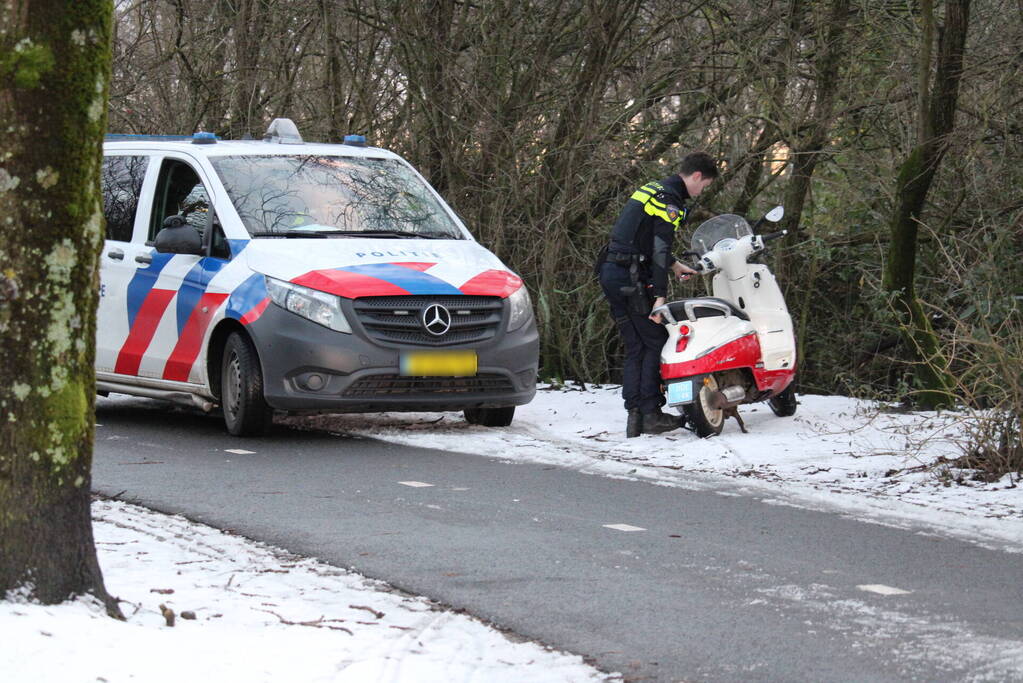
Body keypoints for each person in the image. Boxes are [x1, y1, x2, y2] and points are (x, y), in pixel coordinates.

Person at [597, 152, 719, 437]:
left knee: (637, 344)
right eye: (705, 185)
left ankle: (635, 416)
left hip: (612, 272)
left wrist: (675, 265)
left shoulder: (652, 189)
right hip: (631, 279)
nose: (703, 191)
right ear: (697, 176)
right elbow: (660, 249)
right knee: (656, 339)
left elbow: (643, 240)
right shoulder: (670, 201)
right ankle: (650, 414)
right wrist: (660, 297)